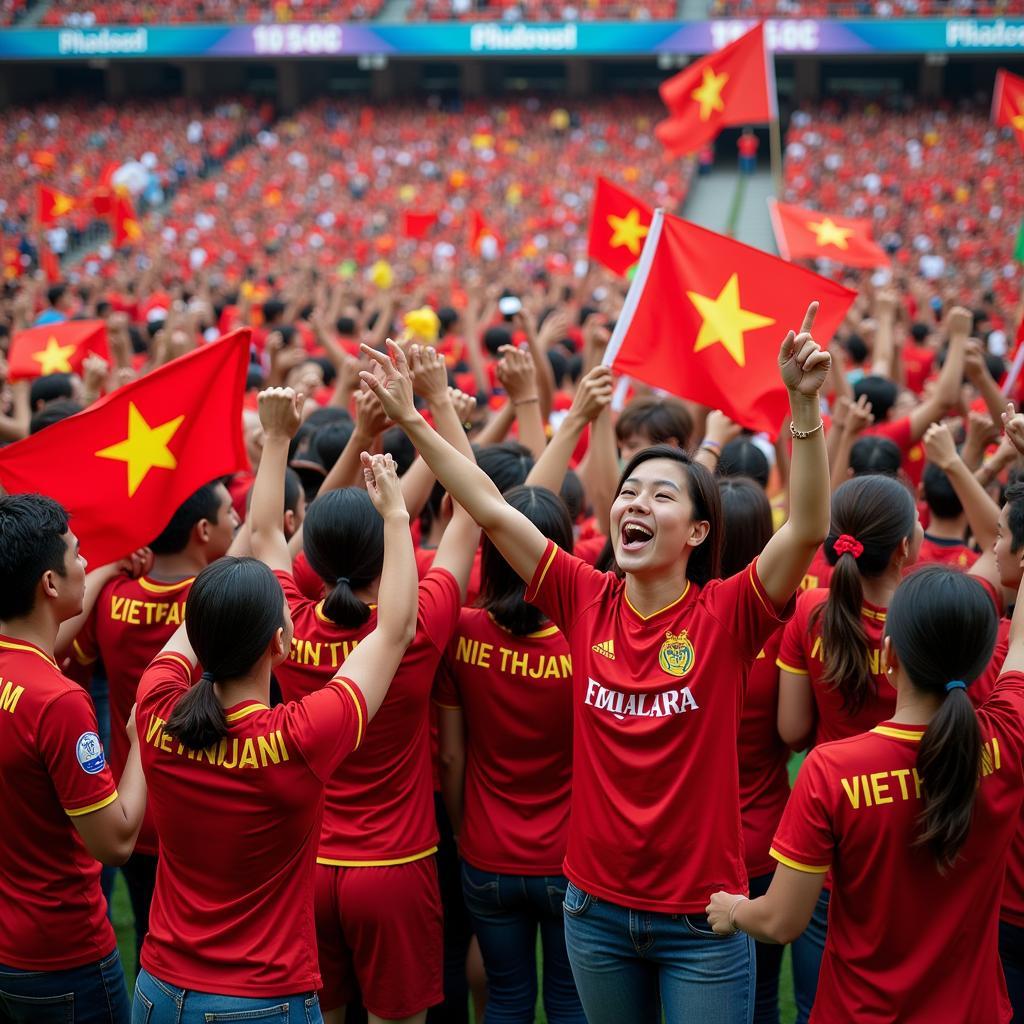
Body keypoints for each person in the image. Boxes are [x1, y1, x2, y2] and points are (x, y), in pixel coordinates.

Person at [359, 300, 831, 1024]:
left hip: (699, 923)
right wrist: (415, 417)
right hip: (595, 912)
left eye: (662, 494)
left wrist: (803, 404)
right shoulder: (583, 597)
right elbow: (488, 505)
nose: (635, 503)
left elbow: (806, 527)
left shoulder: (727, 614)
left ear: (698, 531)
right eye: (630, 492)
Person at [131, 451, 418, 1021]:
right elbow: (396, 629)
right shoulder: (302, 736)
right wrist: (396, 517)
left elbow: (195, 629)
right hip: (261, 999)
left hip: (157, 989)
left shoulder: (155, 702)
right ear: (280, 646)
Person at [249, 381, 479, 1024]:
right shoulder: (421, 621)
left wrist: (274, 439)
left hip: (308, 868)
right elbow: (470, 513)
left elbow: (265, 528)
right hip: (396, 867)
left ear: (312, 560)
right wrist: (428, 414)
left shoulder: (288, 624)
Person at [707, 564, 1024, 1024]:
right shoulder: (1007, 740)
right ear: (980, 663)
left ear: (890, 654)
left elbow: (781, 922)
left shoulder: (832, 771)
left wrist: (733, 910)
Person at [69, 479, 239, 966]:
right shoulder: (222, 602)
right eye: (230, 513)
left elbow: (74, 655)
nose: (237, 522)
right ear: (202, 531)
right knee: (216, 952)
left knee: (151, 943)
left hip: (138, 806)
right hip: (208, 805)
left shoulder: (111, 596)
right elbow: (267, 539)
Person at [435, 485, 584, 1024]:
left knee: (506, 999)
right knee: (570, 1002)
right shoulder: (583, 640)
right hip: (569, 858)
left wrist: (461, 829)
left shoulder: (463, 632)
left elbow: (449, 757)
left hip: (485, 851)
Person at [776, 472, 921, 1023]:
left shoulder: (811, 609)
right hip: (920, 814)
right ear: (906, 546)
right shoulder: (927, 609)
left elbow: (791, 730)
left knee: (820, 1002)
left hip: (833, 818)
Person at [0, 494, 146, 1023]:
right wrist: (142, 746)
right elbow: (115, 841)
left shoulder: (22, 670)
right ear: (49, 584)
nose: (86, 563)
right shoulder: (59, 703)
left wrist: (109, 568)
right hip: (65, 953)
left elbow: (39, 643)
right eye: (78, 554)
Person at [719, 476, 790, 1024]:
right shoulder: (783, 631)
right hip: (764, 839)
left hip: (694, 844)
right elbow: (794, 733)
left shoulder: (678, 625)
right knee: (760, 997)